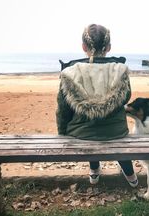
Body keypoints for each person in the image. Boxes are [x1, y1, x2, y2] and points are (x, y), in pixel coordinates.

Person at [56, 24, 138, 187]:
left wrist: (62, 132)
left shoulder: (70, 72)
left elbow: (63, 110)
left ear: (84, 47)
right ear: (108, 47)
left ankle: (94, 171)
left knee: (90, 131)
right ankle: (131, 177)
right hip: (117, 132)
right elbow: (125, 98)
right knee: (110, 135)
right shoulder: (120, 70)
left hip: (81, 134)